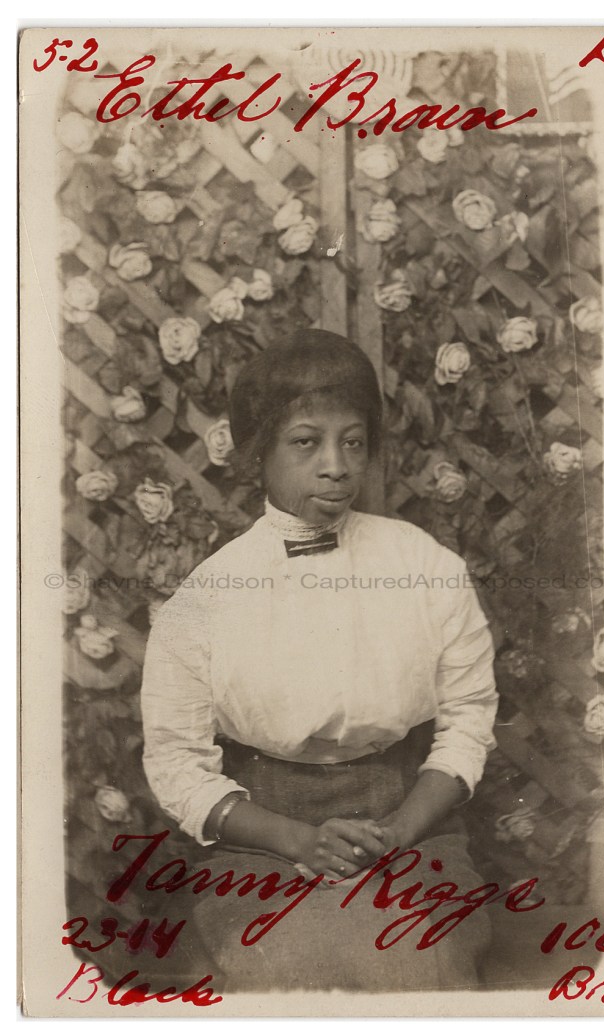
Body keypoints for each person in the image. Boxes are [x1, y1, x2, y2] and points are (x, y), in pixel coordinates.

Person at [141, 328, 499, 992]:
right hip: (263, 839)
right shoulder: (206, 598)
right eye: (306, 442)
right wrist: (298, 840)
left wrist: (399, 830)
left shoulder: (425, 567)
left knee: (413, 957)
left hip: (411, 826)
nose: (336, 465)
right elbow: (176, 764)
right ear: (259, 452)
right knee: (285, 967)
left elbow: (468, 723)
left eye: (353, 442)